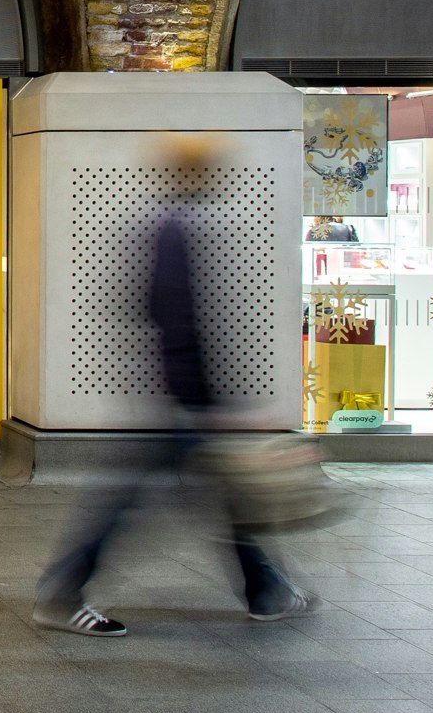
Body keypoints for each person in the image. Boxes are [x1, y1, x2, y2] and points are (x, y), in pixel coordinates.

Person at [32, 134, 314, 638]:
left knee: (220, 492)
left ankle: (266, 589)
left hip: (181, 397)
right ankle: (61, 593)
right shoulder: (179, 229)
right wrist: (206, 400)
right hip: (185, 399)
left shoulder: (174, 225)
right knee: (135, 500)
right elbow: (178, 316)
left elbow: (144, 307)